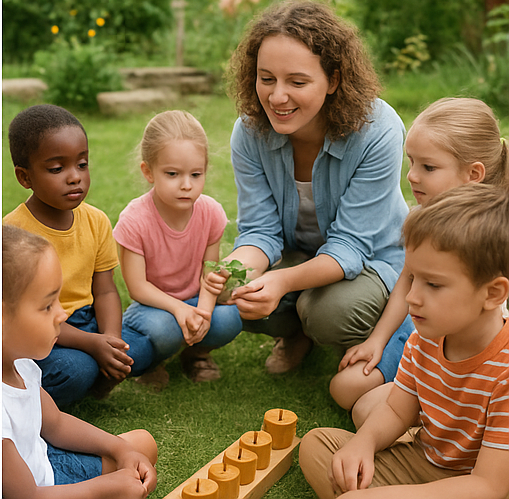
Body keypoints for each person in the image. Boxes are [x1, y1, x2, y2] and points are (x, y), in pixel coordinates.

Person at [216, 0, 410, 374]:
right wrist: (233, 270)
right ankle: (297, 331)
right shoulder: (249, 131)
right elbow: (260, 231)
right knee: (232, 289)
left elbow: (351, 246)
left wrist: (281, 282)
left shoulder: (379, 130)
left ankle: (364, 330)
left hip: (373, 258)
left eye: (298, 82)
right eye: (266, 78)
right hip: (298, 255)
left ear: (333, 80)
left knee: (331, 314)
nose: (277, 97)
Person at [299, 183, 509, 499]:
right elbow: (397, 412)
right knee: (318, 447)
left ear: (493, 293)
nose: (411, 297)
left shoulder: (504, 369)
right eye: (412, 279)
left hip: (478, 482)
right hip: (423, 461)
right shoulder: (424, 339)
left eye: (434, 285)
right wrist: (362, 443)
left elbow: (489, 485)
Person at [330, 97, 509, 428]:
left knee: (371, 411)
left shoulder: (496, 232)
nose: (412, 177)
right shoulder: (420, 218)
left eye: (428, 167)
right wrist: (377, 340)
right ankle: (414, 398)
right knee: (346, 391)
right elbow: (405, 287)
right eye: (411, 162)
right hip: (421, 337)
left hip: (477, 355)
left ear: (473, 174)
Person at [4, 104, 154, 407]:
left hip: (87, 320)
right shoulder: (13, 234)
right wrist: (92, 344)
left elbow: (106, 289)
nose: (75, 177)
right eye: (57, 169)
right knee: (73, 370)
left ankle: (102, 369)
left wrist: (111, 340)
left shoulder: (96, 220)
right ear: (25, 177)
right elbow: (24, 319)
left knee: (142, 348)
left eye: (82, 164)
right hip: (41, 331)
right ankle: (39, 403)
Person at [2, 224, 158, 499]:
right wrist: (108, 488)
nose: (63, 314)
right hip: (39, 491)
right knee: (130, 476)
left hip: (43, 462)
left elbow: (56, 423)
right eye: (48, 305)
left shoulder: (20, 362)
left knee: (141, 446)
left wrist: (120, 450)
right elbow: (28, 496)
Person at [113, 110, 242, 384]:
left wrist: (204, 313)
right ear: (148, 171)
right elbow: (138, 287)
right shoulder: (135, 220)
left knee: (231, 317)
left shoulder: (210, 213)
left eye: (196, 174)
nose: (186, 185)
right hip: (152, 306)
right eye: (172, 174)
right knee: (165, 328)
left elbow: (210, 273)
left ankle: (196, 354)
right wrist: (179, 309)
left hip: (195, 299)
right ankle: (153, 362)